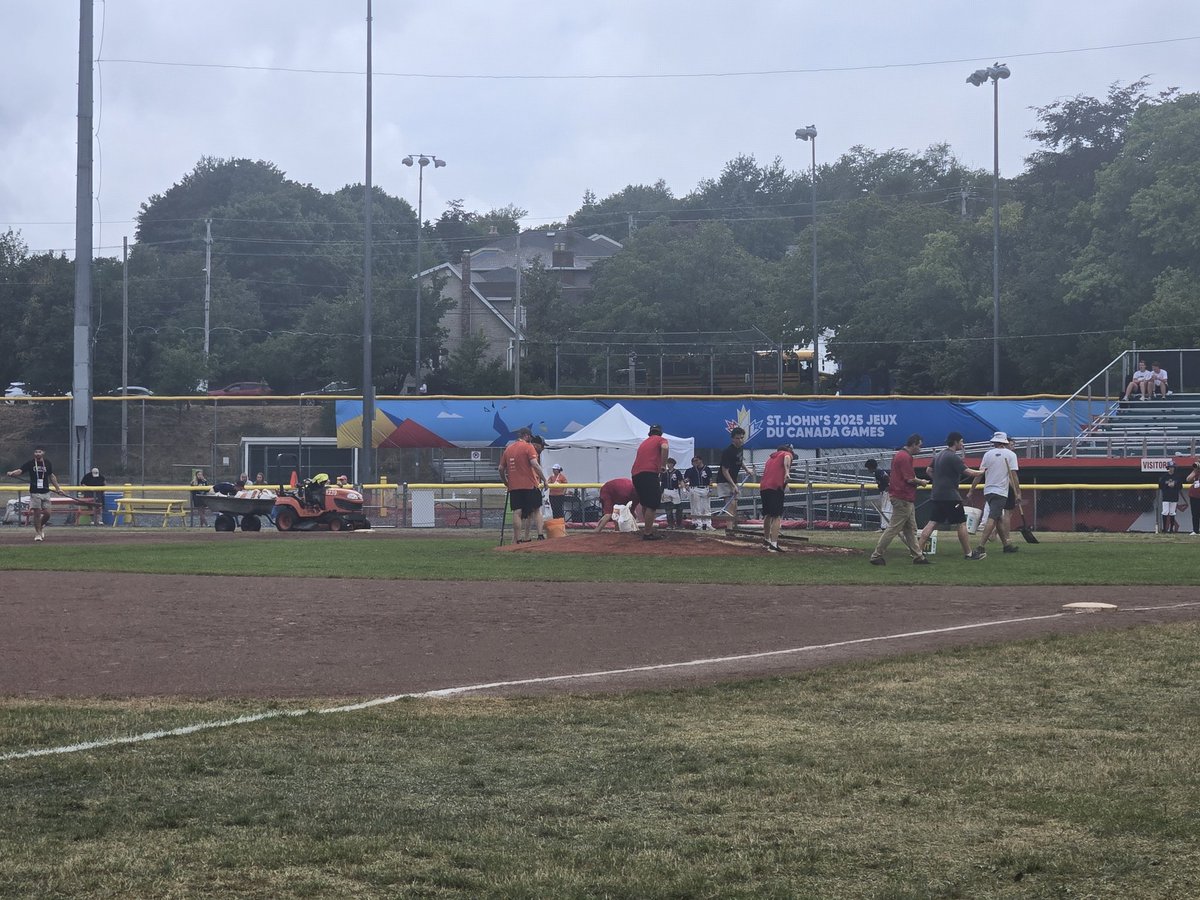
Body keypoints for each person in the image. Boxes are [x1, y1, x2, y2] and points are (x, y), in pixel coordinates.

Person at [916, 432, 985, 561]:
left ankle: (917, 552)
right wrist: (982, 471)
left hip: (937, 495)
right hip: (951, 496)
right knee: (961, 524)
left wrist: (938, 480)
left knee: (932, 523)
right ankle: (969, 553)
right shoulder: (953, 457)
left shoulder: (939, 455)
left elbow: (928, 470)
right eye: (961, 441)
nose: (963, 444)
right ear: (955, 442)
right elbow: (969, 472)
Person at [868, 434, 931, 566]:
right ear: (913, 444)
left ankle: (918, 556)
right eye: (919, 446)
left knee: (910, 529)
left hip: (903, 497)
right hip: (903, 497)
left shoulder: (900, 455)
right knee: (893, 528)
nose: (920, 449)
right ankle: (876, 555)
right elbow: (910, 479)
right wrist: (922, 482)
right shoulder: (905, 457)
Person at [970, 431, 1022, 557]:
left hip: (988, 491)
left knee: (998, 518)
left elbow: (979, 474)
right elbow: (1014, 476)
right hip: (1000, 492)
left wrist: (972, 489)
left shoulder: (987, 454)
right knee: (993, 518)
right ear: (1005, 442)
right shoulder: (1011, 455)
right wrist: (1018, 492)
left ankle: (1006, 546)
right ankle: (981, 546)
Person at [498, 427, 546, 544]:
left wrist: (505, 481)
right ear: (527, 436)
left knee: (517, 512)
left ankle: (518, 539)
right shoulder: (528, 447)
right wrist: (545, 479)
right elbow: (534, 464)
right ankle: (540, 535)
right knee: (536, 510)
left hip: (514, 486)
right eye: (530, 437)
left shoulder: (508, 448)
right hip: (529, 484)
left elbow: (500, 468)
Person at [7, 446, 63, 541]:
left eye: (39, 452)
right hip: (35, 492)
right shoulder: (31, 463)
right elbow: (20, 471)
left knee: (47, 513)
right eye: (36, 452)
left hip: (45, 492)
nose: (37, 453)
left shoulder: (47, 463)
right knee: (37, 514)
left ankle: (40, 526)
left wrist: (58, 489)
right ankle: (38, 534)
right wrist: (12, 473)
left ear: (43, 453)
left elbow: (52, 476)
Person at [631, 424, 669, 540]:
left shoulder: (644, 443)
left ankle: (648, 530)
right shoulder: (661, 440)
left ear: (650, 432)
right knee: (652, 504)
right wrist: (663, 465)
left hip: (636, 474)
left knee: (645, 503)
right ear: (660, 433)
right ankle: (648, 533)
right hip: (649, 473)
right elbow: (665, 447)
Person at [718, 426, 754, 534]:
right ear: (733, 439)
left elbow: (740, 460)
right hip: (725, 480)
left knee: (735, 505)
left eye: (742, 438)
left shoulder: (740, 449)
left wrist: (747, 469)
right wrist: (733, 485)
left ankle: (734, 527)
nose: (740, 440)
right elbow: (725, 471)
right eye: (738, 438)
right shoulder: (728, 451)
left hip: (734, 480)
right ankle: (729, 530)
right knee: (731, 505)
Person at [759, 443, 794, 552]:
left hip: (764, 487)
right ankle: (773, 544)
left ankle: (766, 540)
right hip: (775, 488)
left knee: (768, 514)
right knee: (776, 516)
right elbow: (787, 458)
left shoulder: (770, 459)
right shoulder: (786, 454)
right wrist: (787, 472)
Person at [684, 456, 713, 530]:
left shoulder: (707, 469)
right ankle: (698, 524)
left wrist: (710, 490)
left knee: (706, 508)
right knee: (696, 508)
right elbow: (686, 479)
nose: (695, 462)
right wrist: (685, 484)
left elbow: (710, 479)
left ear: (701, 460)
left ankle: (707, 524)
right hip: (695, 488)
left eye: (696, 460)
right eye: (694, 461)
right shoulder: (690, 470)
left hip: (705, 488)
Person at [864, 458, 892, 530]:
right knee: (885, 508)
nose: (868, 470)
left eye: (868, 468)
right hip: (884, 491)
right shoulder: (877, 472)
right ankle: (884, 526)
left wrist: (888, 485)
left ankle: (885, 526)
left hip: (886, 492)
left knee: (886, 508)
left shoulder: (878, 472)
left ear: (871, 467)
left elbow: (886, 477)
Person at [1158, 465, 1186, 534]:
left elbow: (1180, 486)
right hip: (1166, 497)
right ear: (1168, 468)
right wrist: (1167, 484)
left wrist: (1174, 484)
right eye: (1170, 467)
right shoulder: (1164, 476)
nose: (1171, 469)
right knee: (1165, 512)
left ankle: (1171, 529)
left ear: (1174, 468)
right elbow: (1160, 485)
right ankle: (1164, 529)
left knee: (1172, 513)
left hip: (1174, 497)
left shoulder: (1177, 476)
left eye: (1172, 467)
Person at [660, 457, 685, 528]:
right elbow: (662, 483)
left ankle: (679, 524)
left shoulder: (677, 472)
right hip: (666, 490)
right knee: (668, 509)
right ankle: (670, 524)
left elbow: (681, 481)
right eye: (667, 463)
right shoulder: (664, 473)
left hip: (675, 490)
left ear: (673, 464)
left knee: (679, 508)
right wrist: (661, 493)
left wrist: (683, 489)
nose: (668, 465)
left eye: (670, 463)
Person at [1185, 462, 1200, 535]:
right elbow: (1188, 479)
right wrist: (1195, 470)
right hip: (1194, 495)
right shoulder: (1196, 472)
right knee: (1195, 514)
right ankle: (1195, 530)